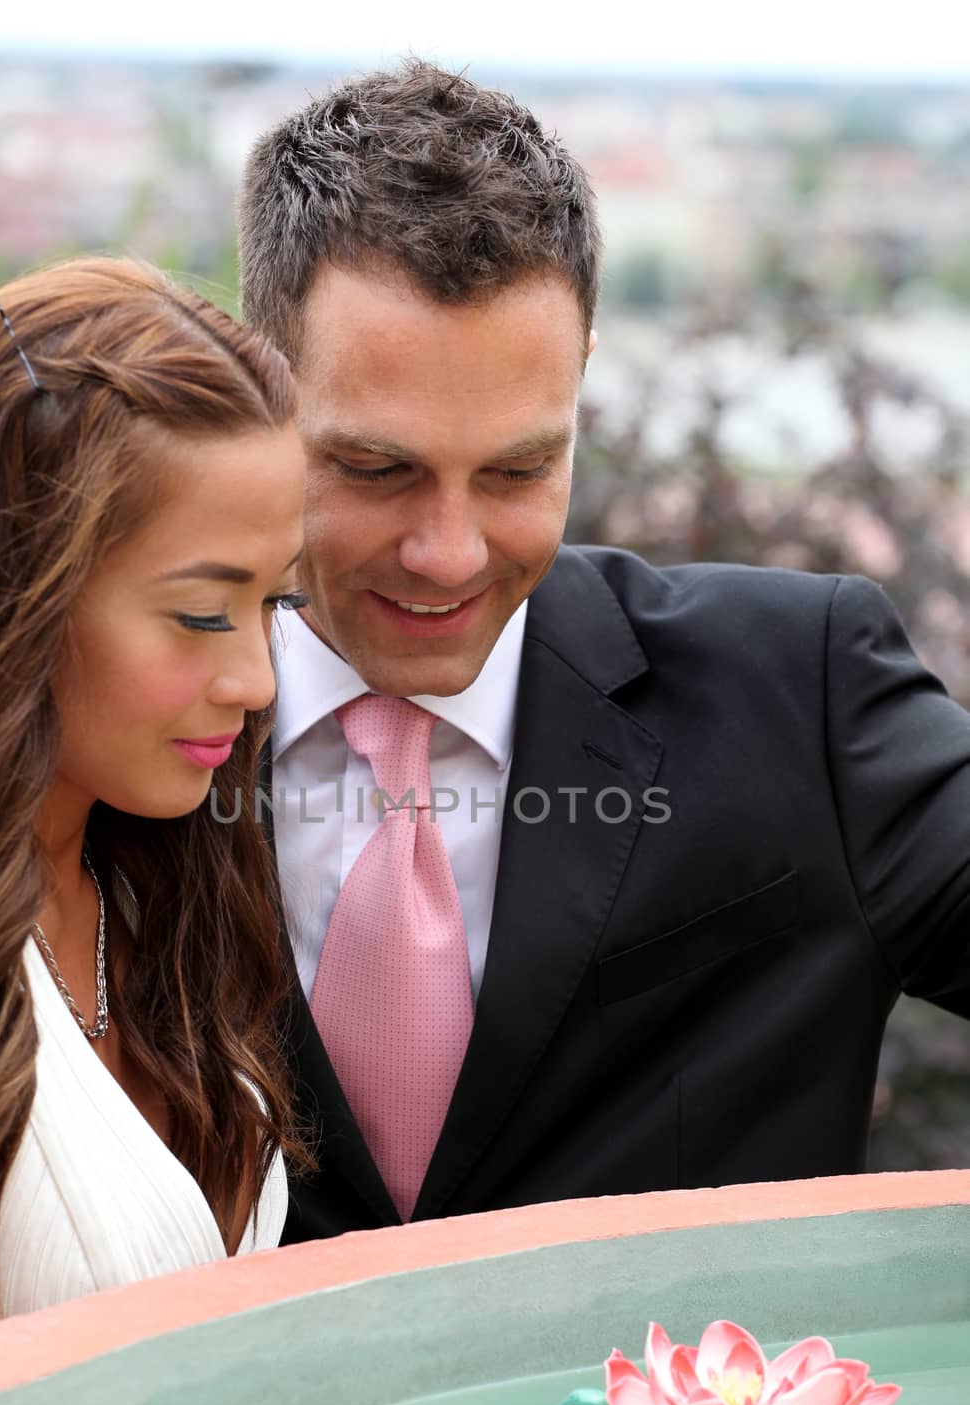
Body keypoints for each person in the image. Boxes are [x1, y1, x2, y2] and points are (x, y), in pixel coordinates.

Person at [237, 61, 970, 1243]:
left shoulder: (802, 691)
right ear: (259, 391)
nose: (447, 551)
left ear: (579, 380)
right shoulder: (121, 733)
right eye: (377, 469)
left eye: (520, 470)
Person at [0, 258, 310, 1349]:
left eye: (273, 602)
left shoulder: (150, 892)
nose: (258, 681)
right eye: (198, 613)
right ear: (10, 594)